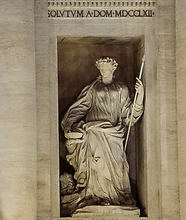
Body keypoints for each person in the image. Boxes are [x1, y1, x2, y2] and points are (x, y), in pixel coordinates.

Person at [61, 56, 144, 211]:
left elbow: (129, 115)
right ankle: (97, 196)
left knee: (117, 166)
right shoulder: (92, 88)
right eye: (101, 69)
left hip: (114, 134)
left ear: (113, 69)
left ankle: (116, 196)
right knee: (96, 164)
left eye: (106, 68)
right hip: (94, 131)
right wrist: (69, 124)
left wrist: (140, 96)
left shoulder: (122, 89)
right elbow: (80, 107)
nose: (103, 71)